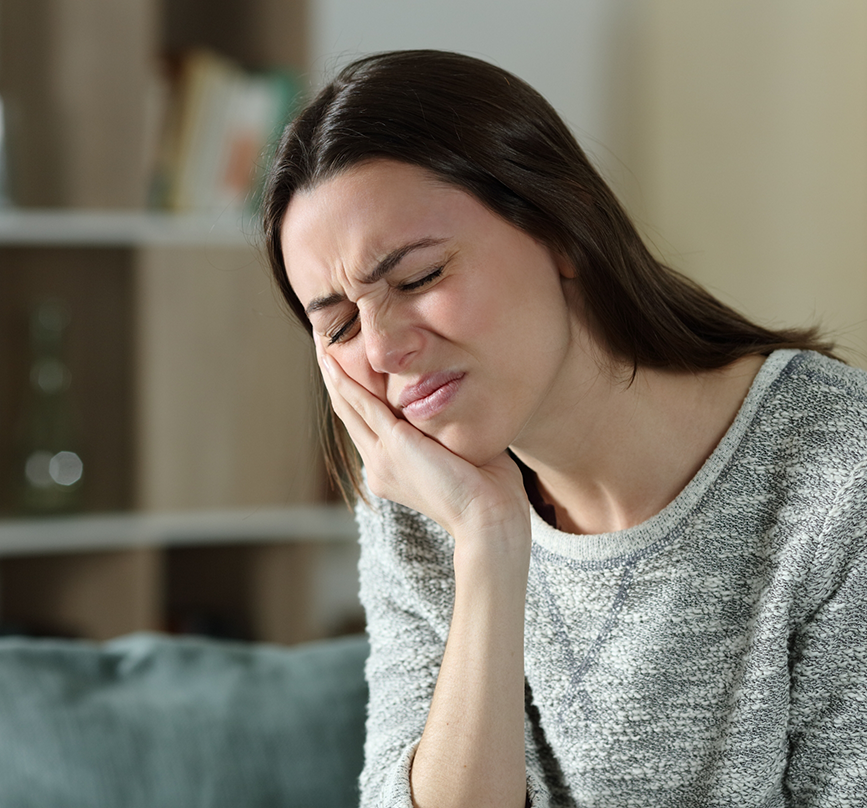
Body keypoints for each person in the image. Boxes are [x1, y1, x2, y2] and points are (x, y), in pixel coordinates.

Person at [262, 50, 867, 808]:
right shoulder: (425, 503)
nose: (382, 351)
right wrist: (486, 539)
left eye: (417, 278)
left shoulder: (841, 476)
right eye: (341, 324)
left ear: (561, 229)